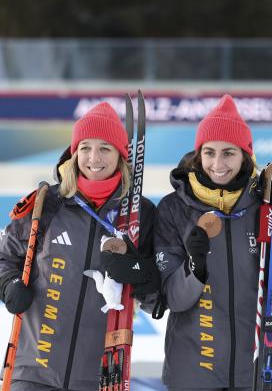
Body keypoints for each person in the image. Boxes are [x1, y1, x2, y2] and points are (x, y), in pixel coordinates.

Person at [0, 102, 159, 391]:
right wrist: (9, 284)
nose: (93, 157)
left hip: (99, 376)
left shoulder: (140, 214)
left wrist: (138, 270)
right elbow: (5, 257)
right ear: (74, 153)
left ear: (121, 156)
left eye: (105, 148)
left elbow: (157, 293)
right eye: (85, 147)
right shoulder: (46, 203)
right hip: (33, 370)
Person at [154, 94, 264, 391]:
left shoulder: (264, 206)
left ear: (245, 156)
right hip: (191, 376)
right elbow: (173, 299)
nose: (218, 163)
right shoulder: (174, 209)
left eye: (228, 153)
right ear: (198, 154)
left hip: (254, 373)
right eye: (209, 152)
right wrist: (194, 267)